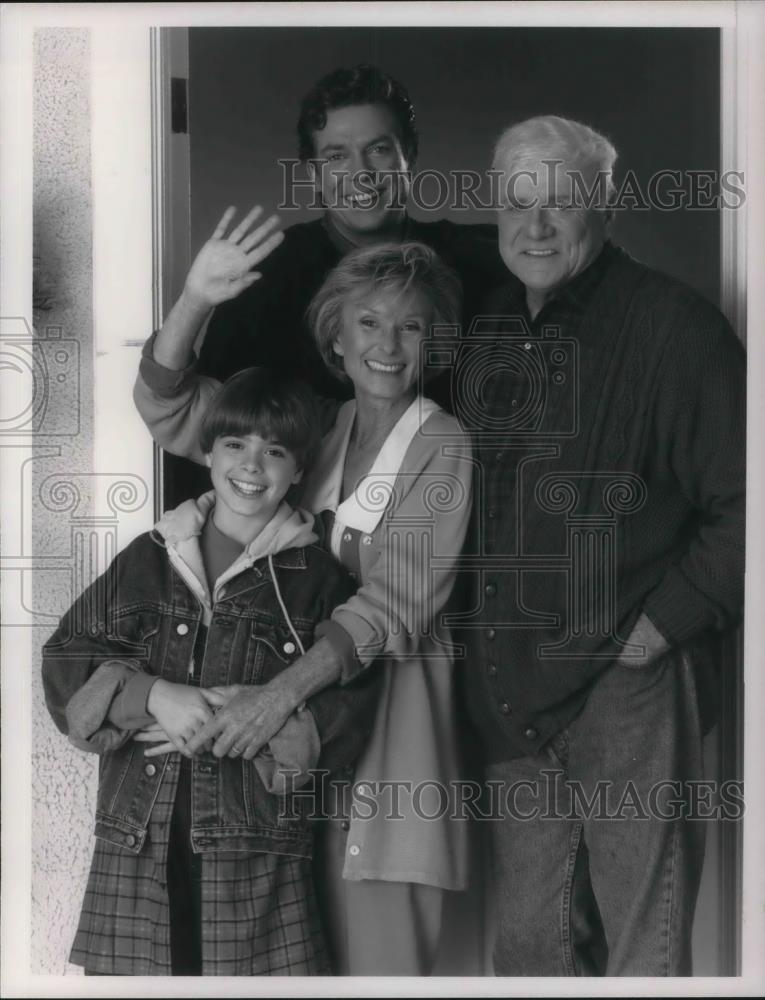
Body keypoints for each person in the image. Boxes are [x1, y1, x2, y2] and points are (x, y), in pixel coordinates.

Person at [133, 235, 476, 975]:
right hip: (292, 759)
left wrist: (271, 698)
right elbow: (167, 410)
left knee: (382, 969)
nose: (387, 345)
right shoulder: (314, 429)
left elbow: (395, 599)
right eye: (368, 323)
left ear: (433, 342)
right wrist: (194, 300)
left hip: (390, 754)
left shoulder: (443, 446)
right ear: (334, 336)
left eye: (410, 326)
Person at [458, 115, 746, 976]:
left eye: (562, 201)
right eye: (517, 200)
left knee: (640, 949)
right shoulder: (487, 329)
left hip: (630, 688)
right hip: (509, 692)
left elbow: (749, 501)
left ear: (606, 207)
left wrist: (659, 627)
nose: (535, 225)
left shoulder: (674, 328)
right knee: (530, 950)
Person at [41, 368, 381, 976]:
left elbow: (356, 707)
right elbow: (67, 659)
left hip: (257, 855)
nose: (253, 465)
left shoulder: (318, 583)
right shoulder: (149, 558)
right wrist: (152, 695)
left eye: (275, 451)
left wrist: (261, 722)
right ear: (207, 451)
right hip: (136, 843)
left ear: (299, 470)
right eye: (235, 444)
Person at [161, 63, 507, 506]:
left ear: (410, 155)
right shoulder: (266, 276)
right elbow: (208, 428)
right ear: (312, 174)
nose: (361, 174)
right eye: (336, 156)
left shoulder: (476, 261)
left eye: (379, 149)